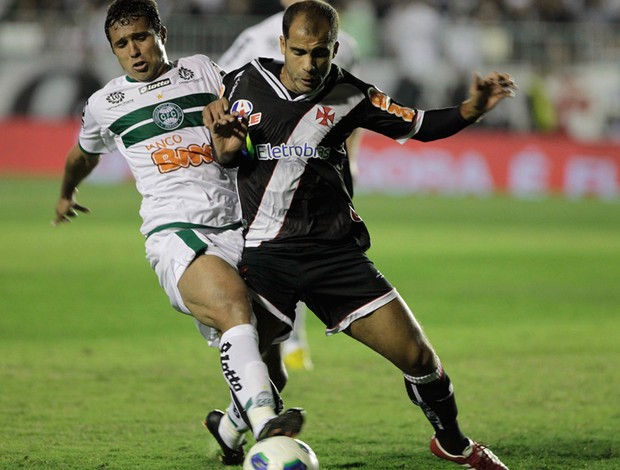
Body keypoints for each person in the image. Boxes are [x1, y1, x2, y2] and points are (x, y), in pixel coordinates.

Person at [203, 1, 517, 468]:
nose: (311, 64)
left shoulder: (351, 95)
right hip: (265, 258)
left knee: (419, 359)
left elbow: (419, 125)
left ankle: (453, 441)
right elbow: (226, 157)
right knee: (264, 378)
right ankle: (231, 430)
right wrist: (226, 150)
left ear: (336, 48)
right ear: (282, 45)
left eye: (323, 53)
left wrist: (472, 109)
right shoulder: (241, 83)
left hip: (336, 257)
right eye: (302, 52)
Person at [51, 0, 304, 464]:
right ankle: (268, 420)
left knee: (271, 364)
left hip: (241, 228)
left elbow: (248, 116)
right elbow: (82, 154)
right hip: (176, 232)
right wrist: (67, 192)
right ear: (113, 50)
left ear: (161, 32)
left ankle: (229, 428)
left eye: (142, 37)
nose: (135, 51)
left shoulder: (206, 71)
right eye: (122, 45)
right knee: (233, 307)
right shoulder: (106, 104)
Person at [218, 0, 362, 371]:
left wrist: (353, 156)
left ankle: (277, 349)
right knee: (268, 252)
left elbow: (351, 108)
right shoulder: (255, 38)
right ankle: (274, 345)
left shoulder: (345, 41)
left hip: (313, 162)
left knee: (302, 244)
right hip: (260, 167)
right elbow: (219, 89)